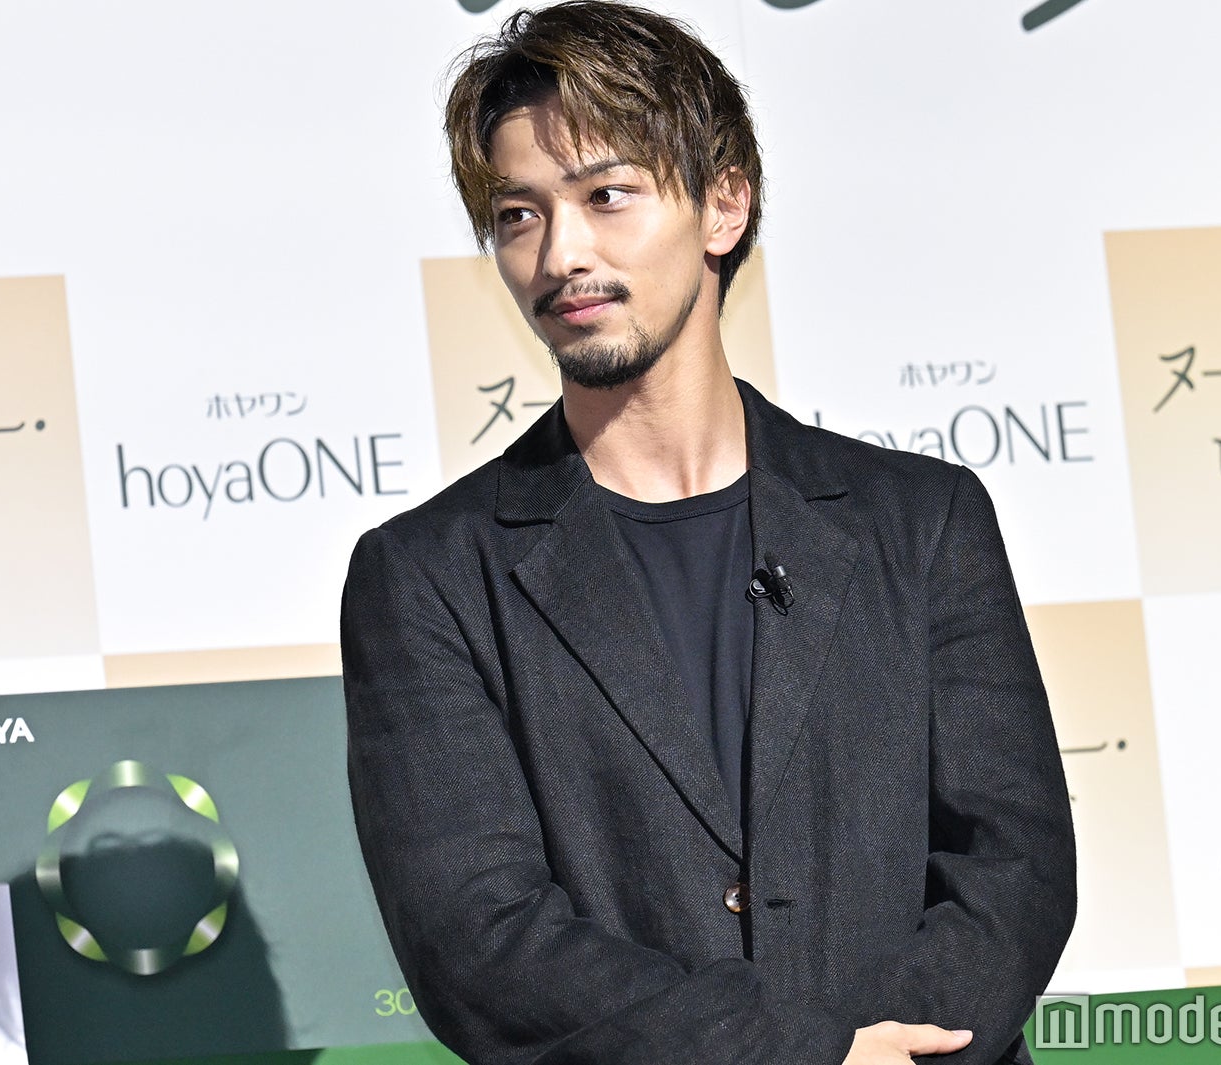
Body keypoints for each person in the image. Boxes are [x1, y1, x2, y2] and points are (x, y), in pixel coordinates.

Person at [341, 3, 1077, 1062]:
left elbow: (1014, 861)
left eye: (606, 195)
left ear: (723, 205)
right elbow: (480, 941)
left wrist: (895, 1050)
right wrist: (806, 1052)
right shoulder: (428, 577)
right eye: (518, 215)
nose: (561, 254)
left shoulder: (919, 522)